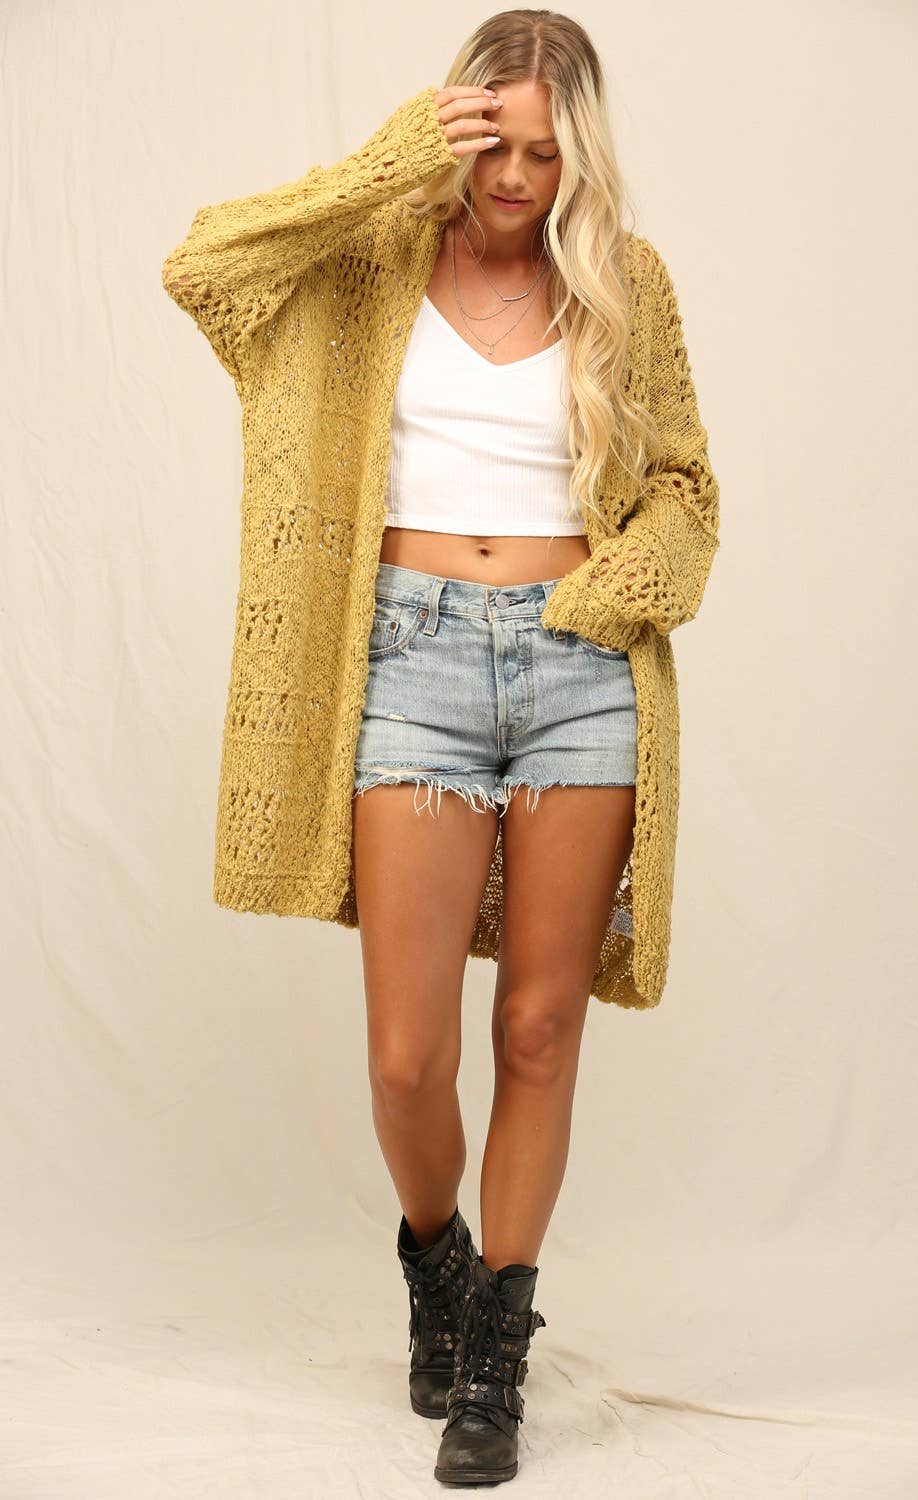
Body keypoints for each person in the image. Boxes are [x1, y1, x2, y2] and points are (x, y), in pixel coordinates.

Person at [161, 8, 720, 1487]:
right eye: (493, 145)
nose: (516, 179)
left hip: (581, 669)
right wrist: (391, 159)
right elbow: (204, 266)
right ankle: (437, 1257)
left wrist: (613, 590)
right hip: (408, 658)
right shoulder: (369, 264)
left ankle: (497, 1358)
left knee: (538, 1028)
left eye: (547, 153)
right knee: (408, 1056)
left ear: (581, 155)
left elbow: (686, 486)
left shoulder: (627, 284)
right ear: (454, 130)